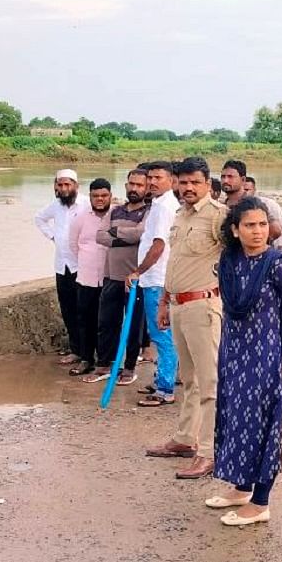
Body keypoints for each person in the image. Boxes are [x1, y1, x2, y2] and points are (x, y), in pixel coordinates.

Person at [202, 198, 282, 526]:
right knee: (235, 418)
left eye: (263, 225)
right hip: (234, 354)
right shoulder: (229, 261)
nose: (258, 232)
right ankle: (241, 488)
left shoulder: (279, 264)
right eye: (250, 225)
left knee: (264, 425)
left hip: (267, 358)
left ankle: (261, 502)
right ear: (235, 230)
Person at [145, 158, 227, 480]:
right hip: (178, 306)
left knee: (209, 384)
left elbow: (237, 256)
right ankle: (184, 440)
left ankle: (209, 452)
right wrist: (164, 301)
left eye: (195, 182)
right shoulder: (179, 215)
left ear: (208, 183)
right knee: (189, 379)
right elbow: (174, 263)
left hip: (204, 308)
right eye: (183, 182)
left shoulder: (218, 217)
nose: (188, 188)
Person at [89, 169, 149, 385]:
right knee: (106, 322)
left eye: (139, 185)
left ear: (146, 188)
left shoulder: (148, 212)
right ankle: (105, 364)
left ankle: (129, 367)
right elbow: (99, 236)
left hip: (135, 278)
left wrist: (115, 233)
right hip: (111, 276)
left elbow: (141, 234)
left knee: (133, 325)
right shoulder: (114, 210)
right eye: (131, 184)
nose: (134, 189)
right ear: (126, 186)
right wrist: (126, 235)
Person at [130, 161, 179, 407]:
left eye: (158, 177)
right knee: (161, 334)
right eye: (150, 177)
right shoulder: (160, 204)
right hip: (156, 279)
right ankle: (162, 378)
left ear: (171, 180)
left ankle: (165, 389)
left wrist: (138, 271)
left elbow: (159, 246)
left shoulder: (164, 207)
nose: (152, 182)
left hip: (157, 279)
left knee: (162, 335)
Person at [34, 169, 83, 366]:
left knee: (86, 311)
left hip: (83, 266)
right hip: (62, 266)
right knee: (68, 310)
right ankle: (76, 350)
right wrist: (53, 236)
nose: (63, 189)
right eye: (60, 185)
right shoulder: (55, 206)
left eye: (67, 184)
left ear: (76, 186)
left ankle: (90, 351)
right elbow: (38, 218)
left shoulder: (87, 203)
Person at [66, 178, 112, 378]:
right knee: (85, 321)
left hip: (110, 279)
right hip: (85, 279)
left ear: (110, 195)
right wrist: (87, 262)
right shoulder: (81, 218)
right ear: (90, 196)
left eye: (104, 195)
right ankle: (86, 359)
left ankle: (105, 362)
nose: (100, 199)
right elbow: (73, 244)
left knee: (108, 323)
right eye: (95, 196)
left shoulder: (117, 216)